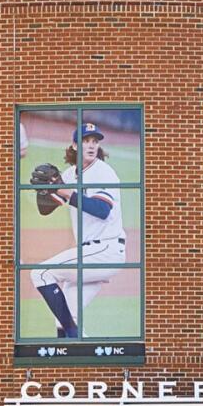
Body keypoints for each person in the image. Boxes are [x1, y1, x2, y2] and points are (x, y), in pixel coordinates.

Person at [28, 121, 128, 339]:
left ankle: (74, 335)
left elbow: (102, 209)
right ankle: (76, 351)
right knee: (63, 318)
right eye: (85, 141)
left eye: (94, 141)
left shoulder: (104, 172)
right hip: (92, 253)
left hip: (105, 251)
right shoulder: (70, 174)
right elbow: (46, 209)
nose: (91, 146)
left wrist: (66, 193)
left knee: (41, 273)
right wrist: (43, 190)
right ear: (74, 146)